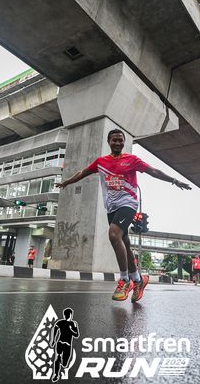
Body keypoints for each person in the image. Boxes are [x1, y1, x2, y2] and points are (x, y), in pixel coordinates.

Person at [56, 128, 191, 302]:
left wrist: (174, 180)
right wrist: (66, 182)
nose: (118, 143)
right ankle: (138, 280)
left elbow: (152, 171)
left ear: (123, 142)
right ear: (109, 142)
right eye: (114, 140)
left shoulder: (132, 160)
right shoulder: (101, 162)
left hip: (128, 203)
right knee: (124, 243)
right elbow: (82, 173)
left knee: (114, 235)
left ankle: (125, 280)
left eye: (121, 140)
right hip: (111, 207)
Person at [51, 307, 79, 382]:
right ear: (66, 315)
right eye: (67, 314)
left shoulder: (73, 323)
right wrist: (53, 340)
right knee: (57, 358)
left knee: (65, 364)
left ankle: (62, 362)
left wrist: (71, 329)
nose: (68, 316)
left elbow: (76, 335)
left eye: (68, 314)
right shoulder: (60, 322)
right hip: (61, 343)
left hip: (67, 345)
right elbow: (55, 329)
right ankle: (56, 374)